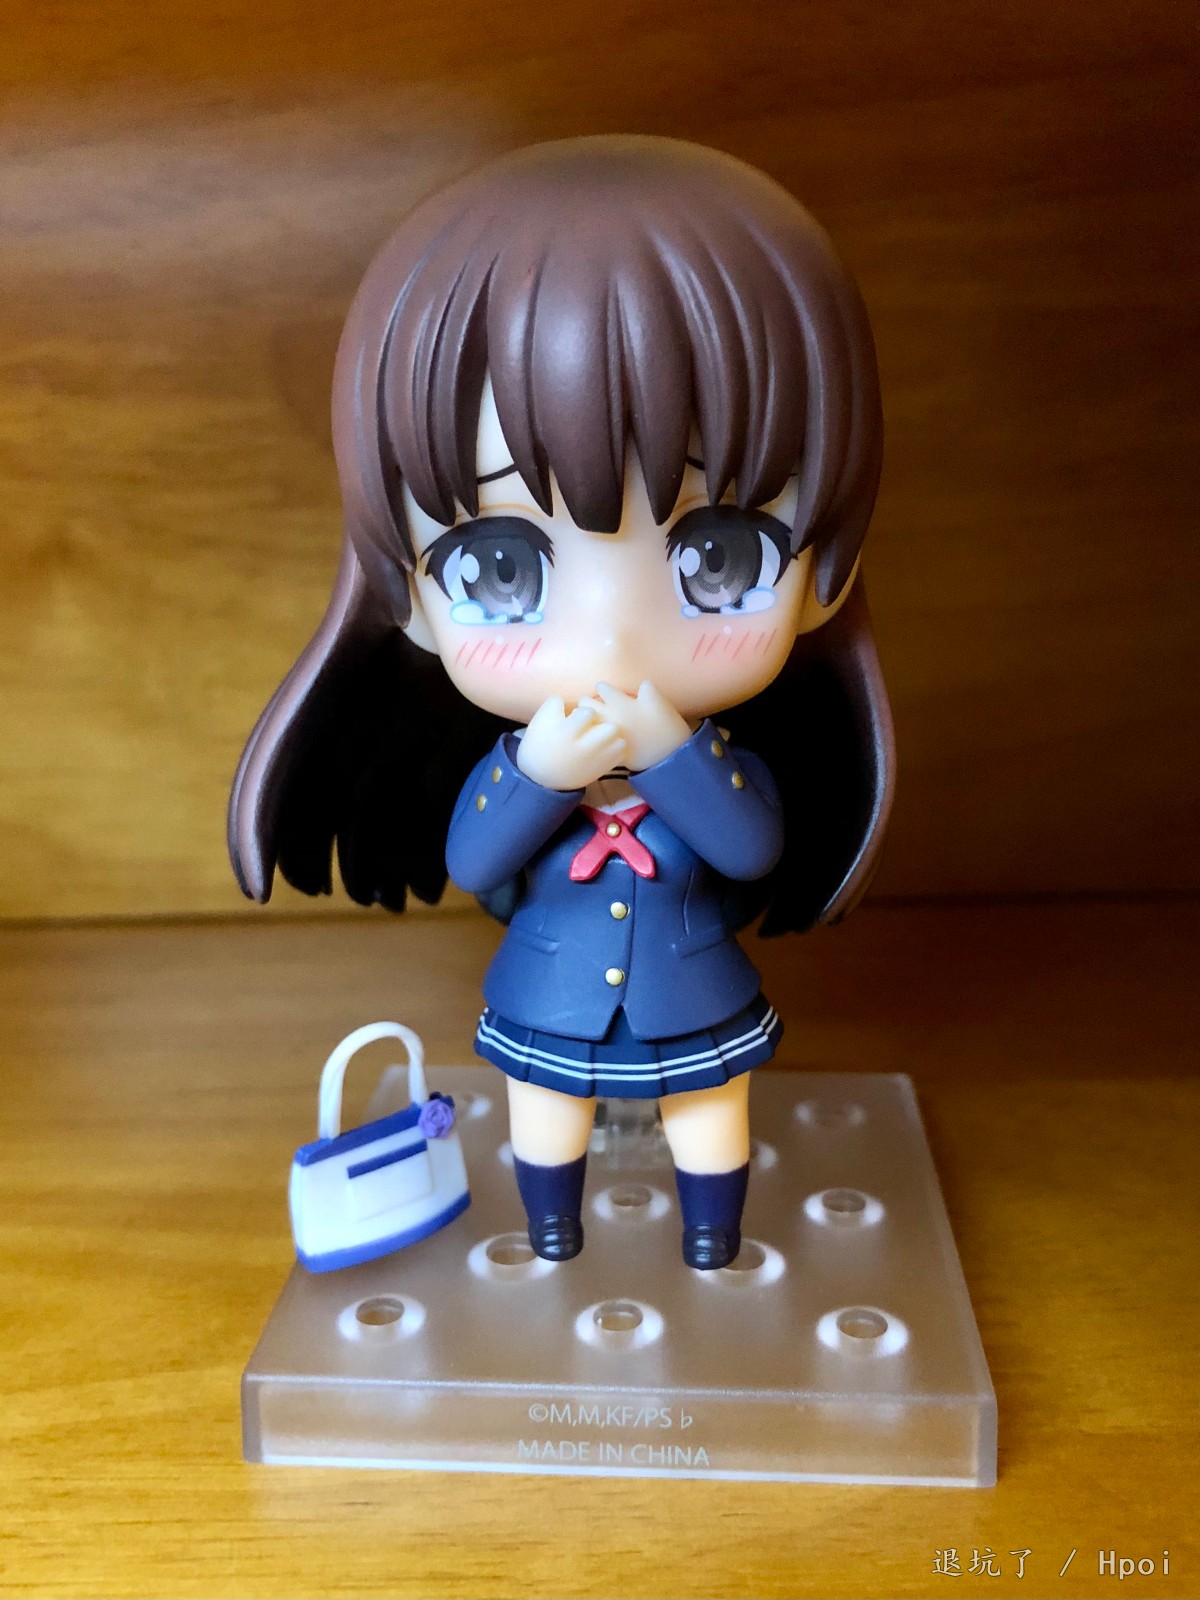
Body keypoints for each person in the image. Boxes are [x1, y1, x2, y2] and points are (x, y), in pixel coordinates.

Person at [229, 136, 894, 1269]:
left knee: (710, 1112)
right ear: (408, 601)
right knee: (545, 1114)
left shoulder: (715, 760)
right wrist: (538, 773)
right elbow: (476, 858)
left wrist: (672, 751)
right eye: (500, 567)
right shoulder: (521, 765)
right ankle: (550, 1231)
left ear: (827, 572)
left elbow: (750, 844)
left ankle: (712, 1238)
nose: (608, 644)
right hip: (549, 995)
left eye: (720, 554)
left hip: (694, 996)